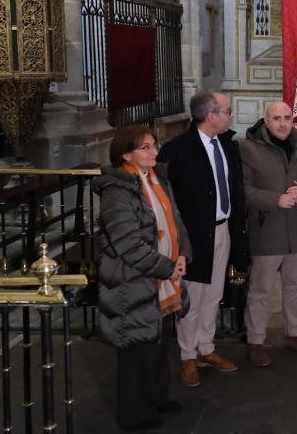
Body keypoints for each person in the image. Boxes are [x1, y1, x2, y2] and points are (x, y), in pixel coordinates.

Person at [95, 125, 190, 430]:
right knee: (137, 346)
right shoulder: (118, 190)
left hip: (162, 276)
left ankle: (158, 397)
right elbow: (127, 242)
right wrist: (166, 267)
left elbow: (175, 219)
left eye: (154, 145)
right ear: (125, 154)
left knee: (159, 342)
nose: (154, 152)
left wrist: (182, 254)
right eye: (145, 148)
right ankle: (135, 413)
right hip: (133, 279)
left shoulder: (156, 178)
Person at [157, 90, 248, 387]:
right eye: (227, 111)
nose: (230, 116)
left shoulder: (226, 144)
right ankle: (187, 355)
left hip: (224, 229)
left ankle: (206, 348)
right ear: (211, 115)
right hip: (194, 235)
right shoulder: (177, 150)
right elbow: (167, 199)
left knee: (214, 294)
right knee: (192, 298)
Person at [240, 101, 297, 367]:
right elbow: (242, 189)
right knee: (261, 289)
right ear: (266, 121)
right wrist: (274, 199)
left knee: (296, 285)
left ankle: (294, 332)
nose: (282, 123)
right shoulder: (249, 148)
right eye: (276, 118)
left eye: (287, 117)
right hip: (267, 229)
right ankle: (255, 340)